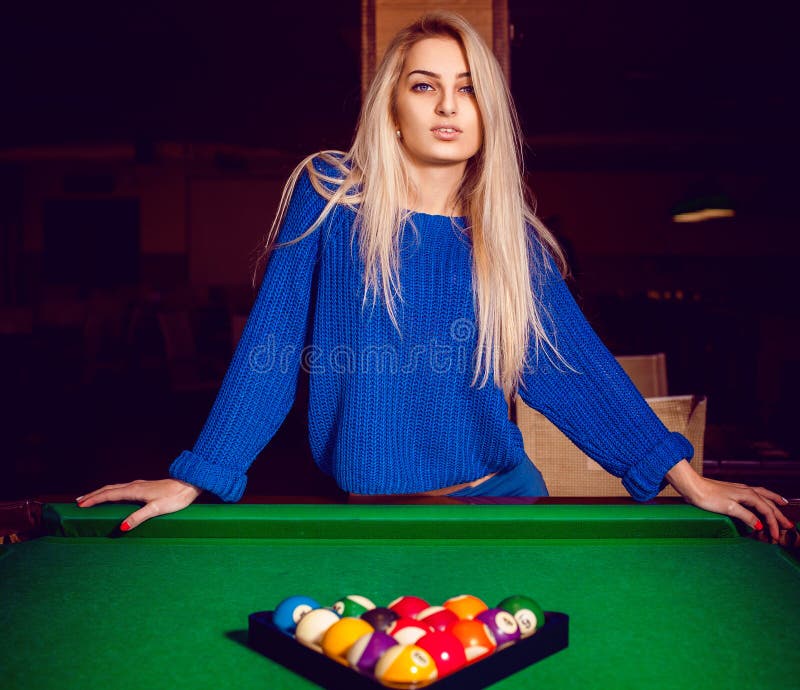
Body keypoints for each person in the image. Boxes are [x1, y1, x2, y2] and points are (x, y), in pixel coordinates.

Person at [76, 11, 792, 539]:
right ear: (393, 104)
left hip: (502, 505)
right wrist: (196, 473)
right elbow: (268, 353)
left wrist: (686, 477)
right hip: (373, 517)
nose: (449, 105)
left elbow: (576, 369)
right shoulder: (329, 197)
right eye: (425, 85)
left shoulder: (507, 241)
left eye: (468, 88)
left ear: (488, 113)